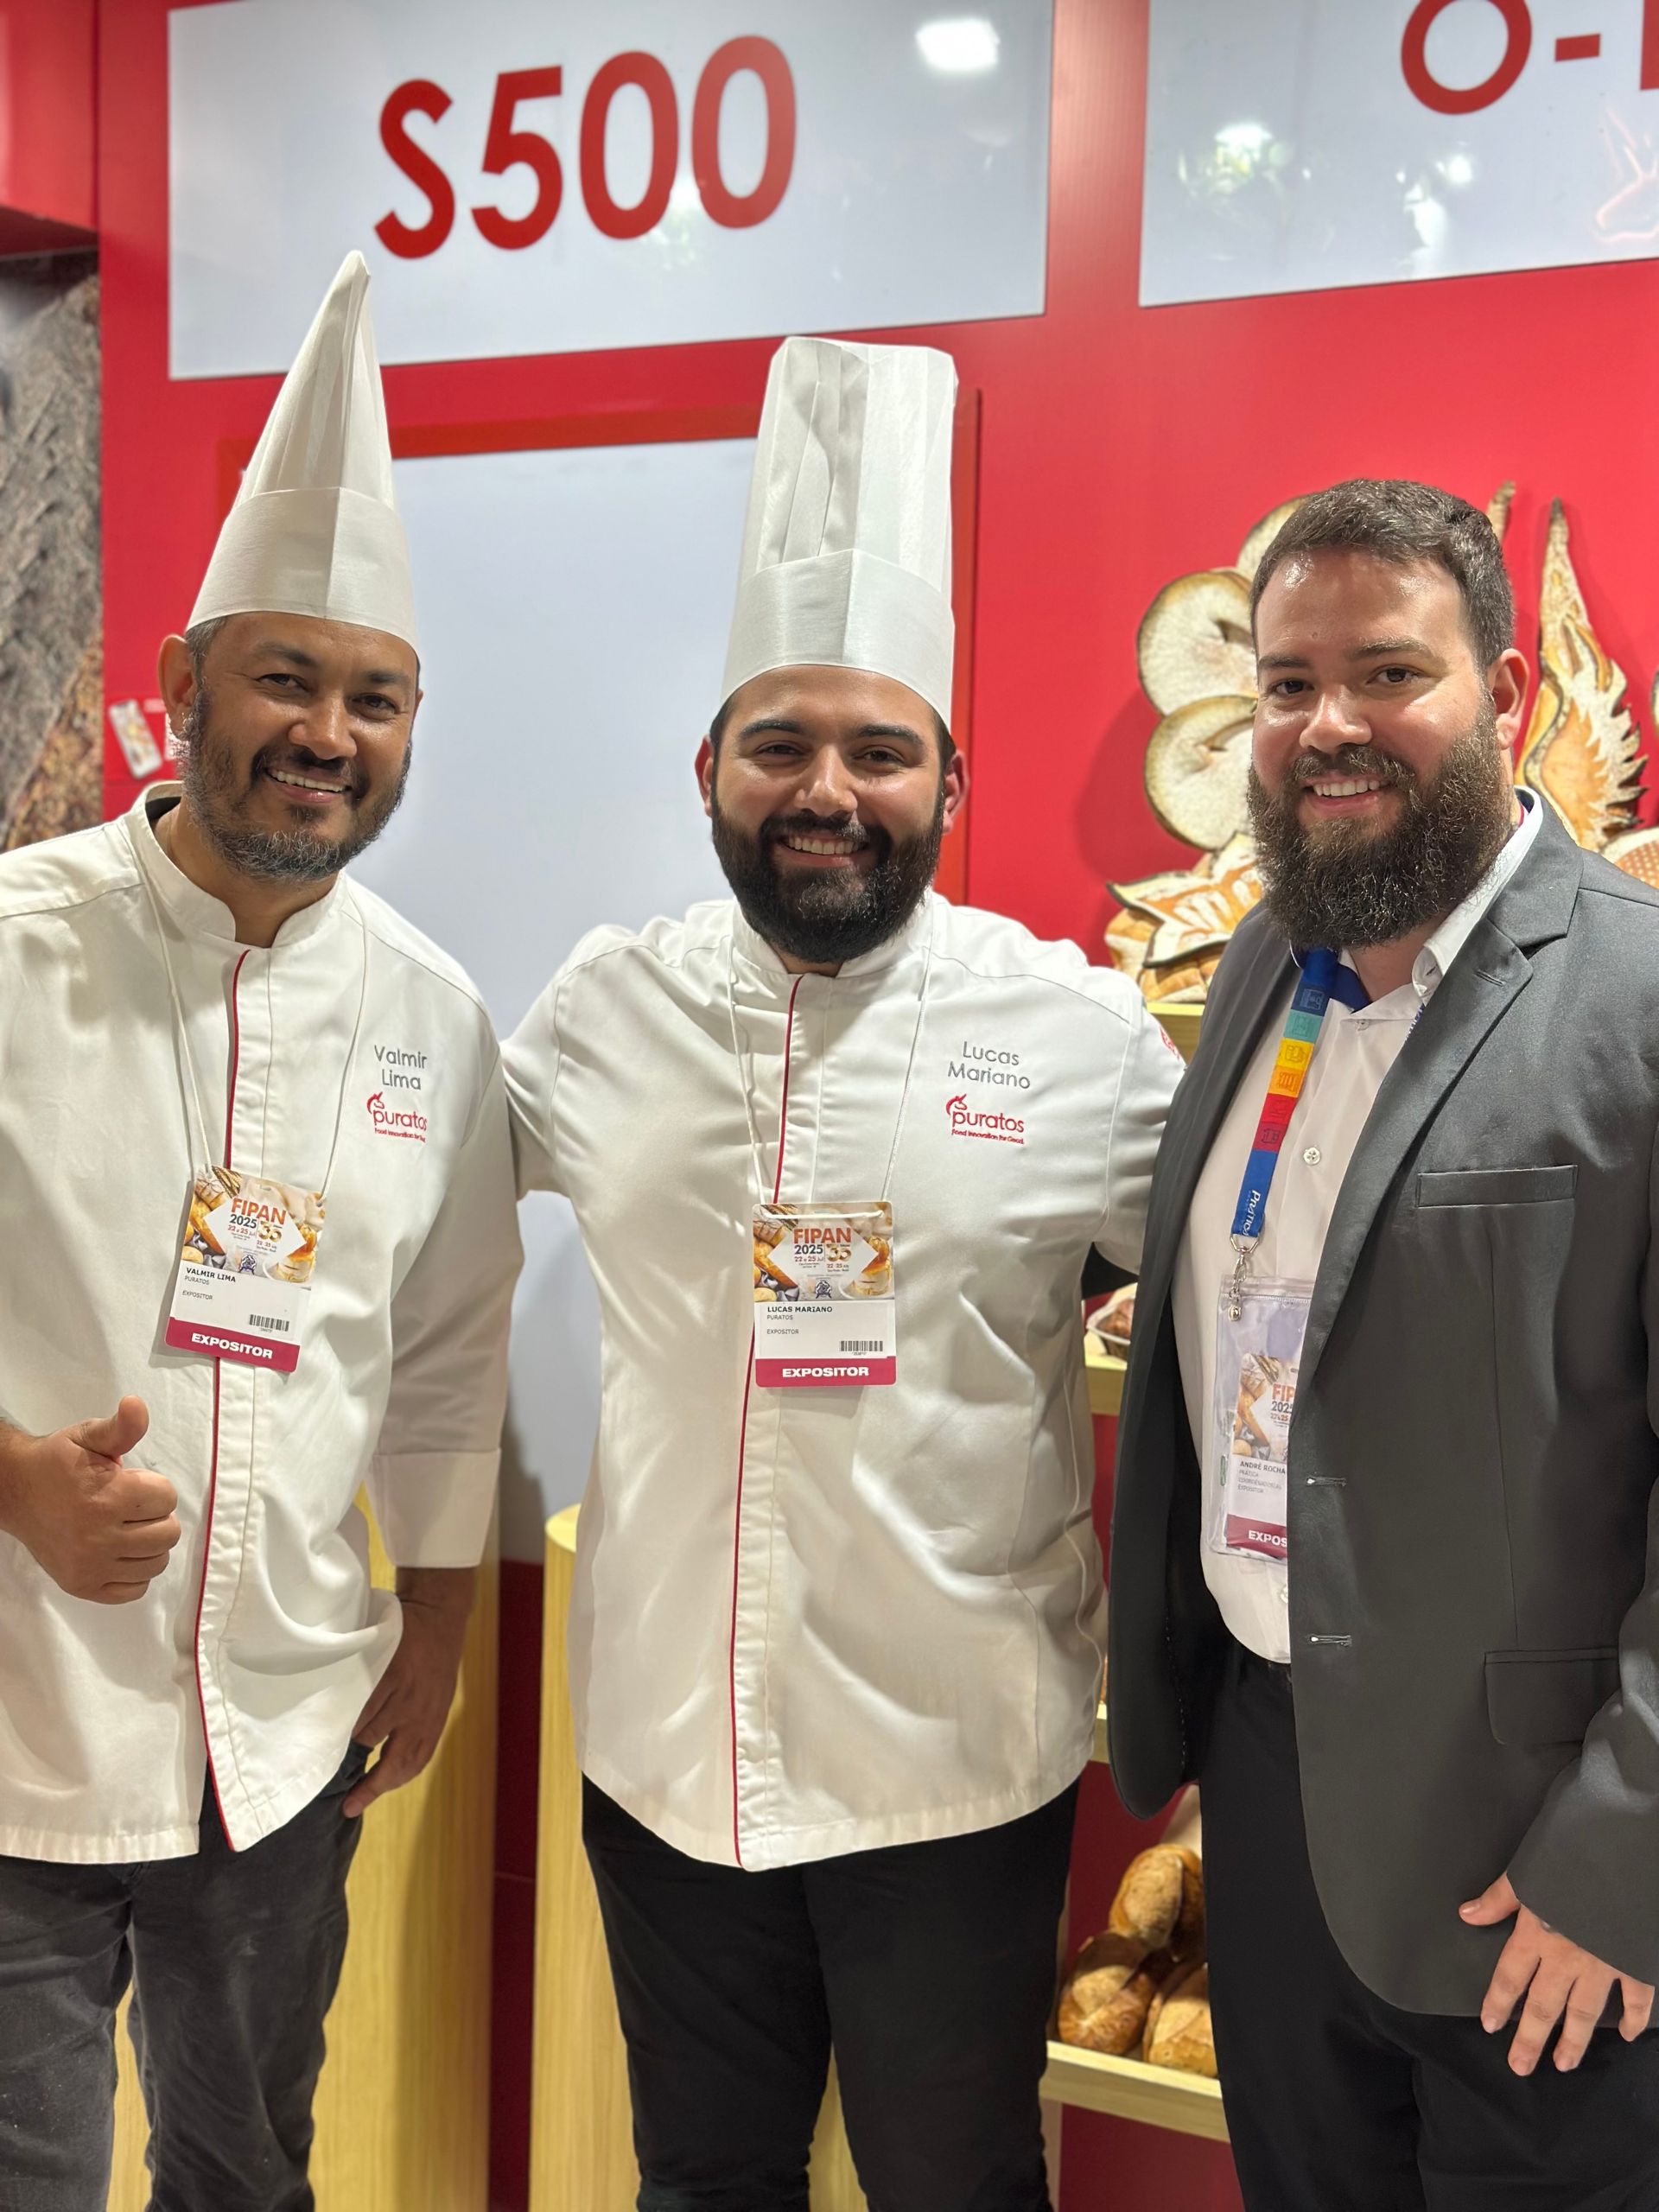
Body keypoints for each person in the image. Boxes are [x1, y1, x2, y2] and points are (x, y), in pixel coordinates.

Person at [505, 334, 1182, 2212]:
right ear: (707, 765)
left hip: (951, 1770)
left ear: (949, 778)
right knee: (701, 2181)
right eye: (781, 743)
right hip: (664, 1758)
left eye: (879, 748)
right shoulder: (598, 1012)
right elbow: (394, 1226)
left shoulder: (1076, 1032)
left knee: (957, 2183)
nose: (829, 787)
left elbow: (1259, 1290)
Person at [0, 254, 520, 2210]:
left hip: (280, 1737)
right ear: (180, 685)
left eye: (373, 695)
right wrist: (11, 1481)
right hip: (17, 1723)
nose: (329, 729)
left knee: (248, 2174)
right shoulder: (15, 940)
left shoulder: (433, 1012)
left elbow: (453, 1348)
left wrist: (442, 1624)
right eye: (285, 679)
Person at [1107, 476, 1659, 2209]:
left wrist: (1626, 1850)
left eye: (1388, 672)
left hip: (1535, 1851)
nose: (1328, 725)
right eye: (1285, 684)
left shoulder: (1639, 998)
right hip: (1275, 1795)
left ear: (1504, 690)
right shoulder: (1268, 959)